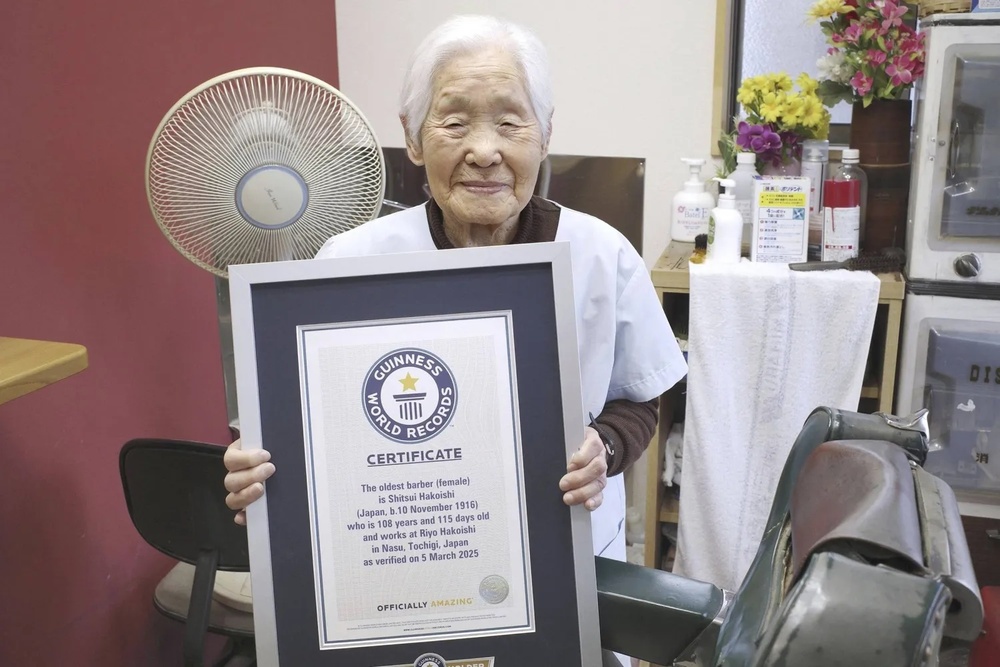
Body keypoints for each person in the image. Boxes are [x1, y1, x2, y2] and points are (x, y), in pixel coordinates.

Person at [223, 14, 686, 666]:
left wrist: (603, 447)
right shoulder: (348, 260)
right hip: (391, 579)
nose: (485, 149)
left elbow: (640, 401)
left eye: (510, 120)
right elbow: (294, 428)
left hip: (561, 567)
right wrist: (255, 471)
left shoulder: (601, 254)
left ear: (546, 133)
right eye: (454, 121)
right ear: (412, 138)